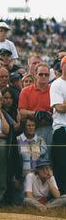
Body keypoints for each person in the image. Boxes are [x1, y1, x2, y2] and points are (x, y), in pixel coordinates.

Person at [50, 56, 66, 192]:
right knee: (61, 164)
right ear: (62, 66)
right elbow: (59, 108)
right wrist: (63, 105)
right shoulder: (56, 84)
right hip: (61, 129)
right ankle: (63, 194)